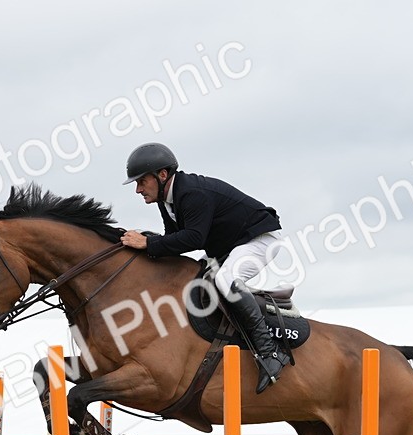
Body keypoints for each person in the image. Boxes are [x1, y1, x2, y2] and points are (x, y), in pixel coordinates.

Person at [118, 142, 290, 392]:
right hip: (232, 246)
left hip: (260, 239)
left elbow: (193, 239)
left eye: (141, 181)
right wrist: (148, 244)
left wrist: (147, 242)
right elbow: (173, 240)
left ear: (162, 175)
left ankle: (270, 352)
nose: (137, 189)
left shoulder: (191, 193)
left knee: (225, 280)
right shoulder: (166, 200)